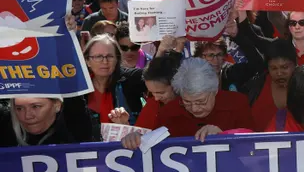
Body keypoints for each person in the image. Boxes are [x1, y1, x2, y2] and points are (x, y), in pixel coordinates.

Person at [122, 58, 253, 148]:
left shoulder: (237, 103)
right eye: (187, 102)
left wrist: (224, 135)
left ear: (214, 91)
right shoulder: (169, 112)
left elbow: (254, 142)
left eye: (201, 101)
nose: (195, 108)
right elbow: (154, 144)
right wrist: (137, 139)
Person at [82, 34, 149, 131]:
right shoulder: (79, 89)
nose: (105, 61)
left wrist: (163, 49)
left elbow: (156, 75)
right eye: (98, 57)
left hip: (129, 143)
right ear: (87, 61)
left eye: (110, 56)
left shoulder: (130, 79)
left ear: (117, 59)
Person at [245, 39, 298, 131]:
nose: (279, 73)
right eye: (273, 68)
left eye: (284, 67)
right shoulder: (256, 86)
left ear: (295, 64)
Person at [0, 96, 94, 146]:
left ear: (57, 105)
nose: (27, 116)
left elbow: (75, 100)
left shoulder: (74, 127)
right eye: (19, 108)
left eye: (36, 107)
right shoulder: (6, 127)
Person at [134, 51, 184, 130]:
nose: (156, 98)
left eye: (161, 92)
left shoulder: (191, 106)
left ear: (176, 84)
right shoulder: (152, 103)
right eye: (152, 93)